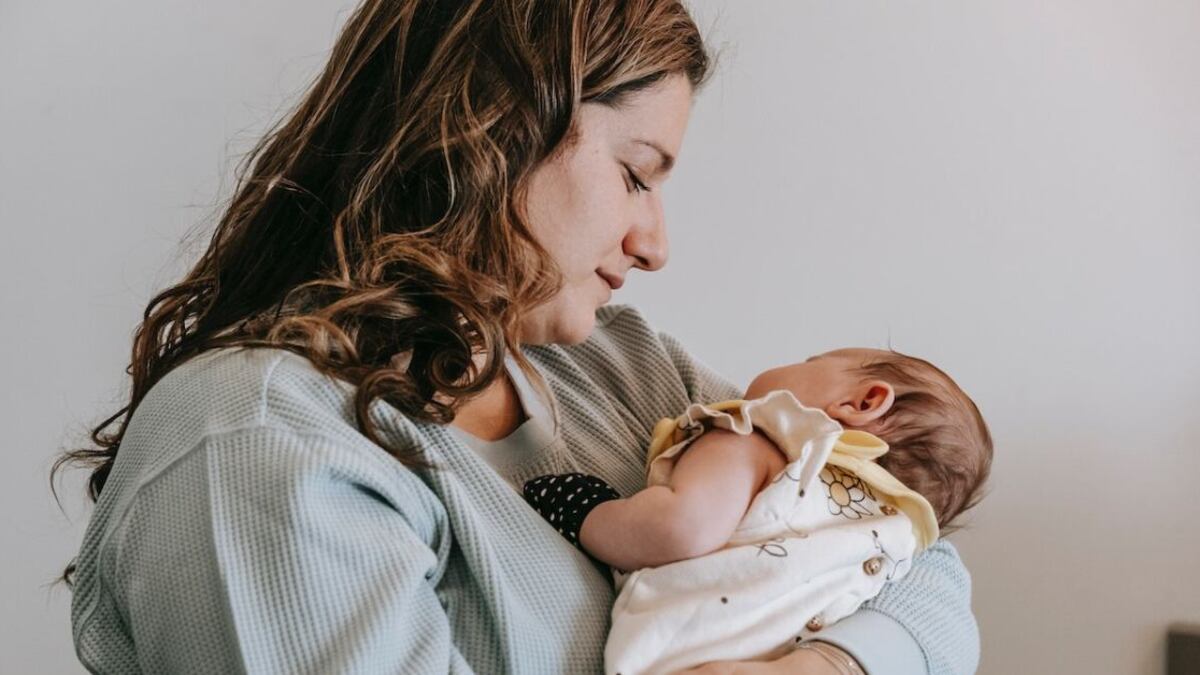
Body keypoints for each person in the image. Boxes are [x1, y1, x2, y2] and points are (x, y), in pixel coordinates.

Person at [59, 1, 980, 672]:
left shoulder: (622, 366)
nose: (655, 244)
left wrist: (818, 671)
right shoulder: (262, 441)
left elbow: (913, 552)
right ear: (494, 127)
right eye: (636, 174)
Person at [523, 348, 992, 674]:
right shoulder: (892, 531)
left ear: (863, 402)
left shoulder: (757, 437)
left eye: (812, 360)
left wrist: (586, 509)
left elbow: (679, 527)